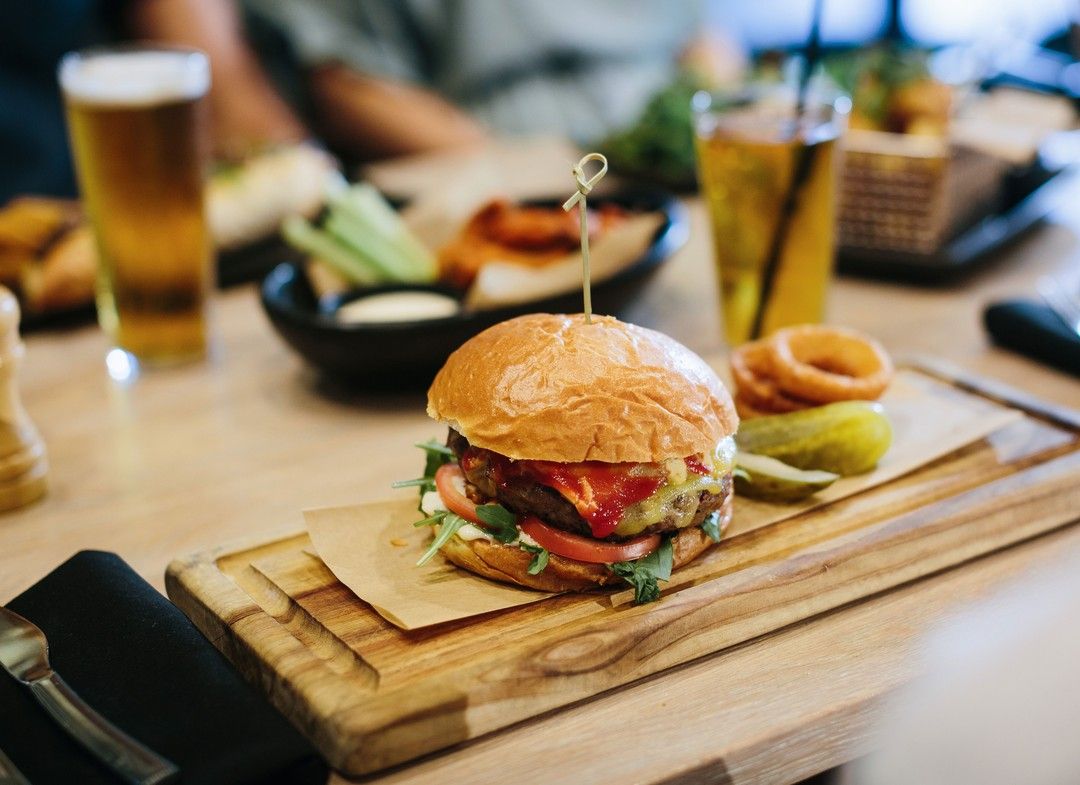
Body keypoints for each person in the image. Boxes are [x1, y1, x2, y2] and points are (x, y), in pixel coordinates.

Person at [241, 0, 730, 162]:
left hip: (676, 173)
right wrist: (529, 173)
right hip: (488, 160)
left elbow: (706, 36)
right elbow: (349, 88)